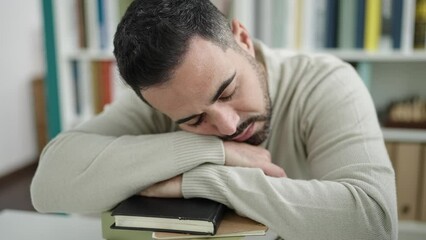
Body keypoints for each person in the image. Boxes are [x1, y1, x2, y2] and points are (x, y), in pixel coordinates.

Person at [31, 0, 397, 239]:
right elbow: (47, 186)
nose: (226, 126)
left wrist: (203, 177)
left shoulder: (326, 82)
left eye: (226, 91)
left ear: (242, 39)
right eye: (193, 120)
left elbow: (373, 223)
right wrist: (211, 151)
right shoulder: (162, 101)